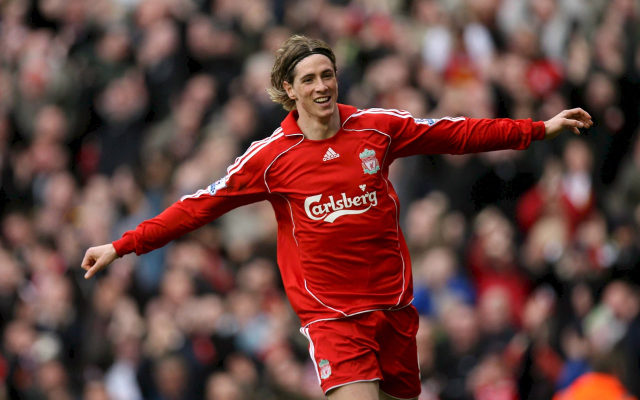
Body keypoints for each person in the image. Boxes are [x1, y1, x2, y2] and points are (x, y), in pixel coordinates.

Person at [81, 35, 593, 400]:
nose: (323, 85)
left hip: (393, 304)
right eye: (310, 78)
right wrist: (122, 245)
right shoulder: (270, 158)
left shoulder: (378, 129)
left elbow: (456, 133)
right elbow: (197, 206)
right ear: (289, 90)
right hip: (332, 316)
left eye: (328, 74)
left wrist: (536, 129)